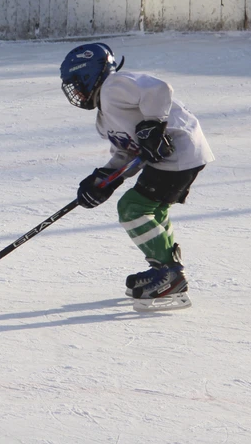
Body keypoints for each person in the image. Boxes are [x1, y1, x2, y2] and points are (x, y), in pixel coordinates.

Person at [60, 42, 214, 309]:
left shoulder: (114, 86)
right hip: (182, 155)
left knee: (132, 207)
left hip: (180, 149)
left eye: (76, 83)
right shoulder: (103, 118)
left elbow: (159, 89)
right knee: (154, 210)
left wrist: (153, 124)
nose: (75, 92)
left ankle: (169, 274)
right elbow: (128, 152)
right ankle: (166, 269)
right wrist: (103, 180)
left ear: (88, 74)